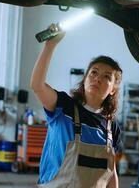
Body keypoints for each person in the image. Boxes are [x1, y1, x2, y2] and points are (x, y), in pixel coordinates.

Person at [30, 24, 123, 188]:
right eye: (93, 72)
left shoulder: (111, 127)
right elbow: (37, 85)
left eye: (106, 76)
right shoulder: (63, 106)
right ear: (85, 77)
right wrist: (50, 46)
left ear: (113, 89)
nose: (97, 79)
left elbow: (111, 171)